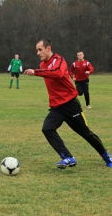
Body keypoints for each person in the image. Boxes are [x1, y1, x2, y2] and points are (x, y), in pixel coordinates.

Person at [24, 39, 112, 168]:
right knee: (47, 129)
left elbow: (58, 73)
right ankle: (68, 157)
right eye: (37, 50)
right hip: (57, 108)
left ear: (48, 48)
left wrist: (36, 72)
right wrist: (39, 71)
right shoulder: (43, 64)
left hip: (71, 105)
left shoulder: (59, 60)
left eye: (40, 49)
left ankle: (106, 156)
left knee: (86, 133)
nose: (37, 53)